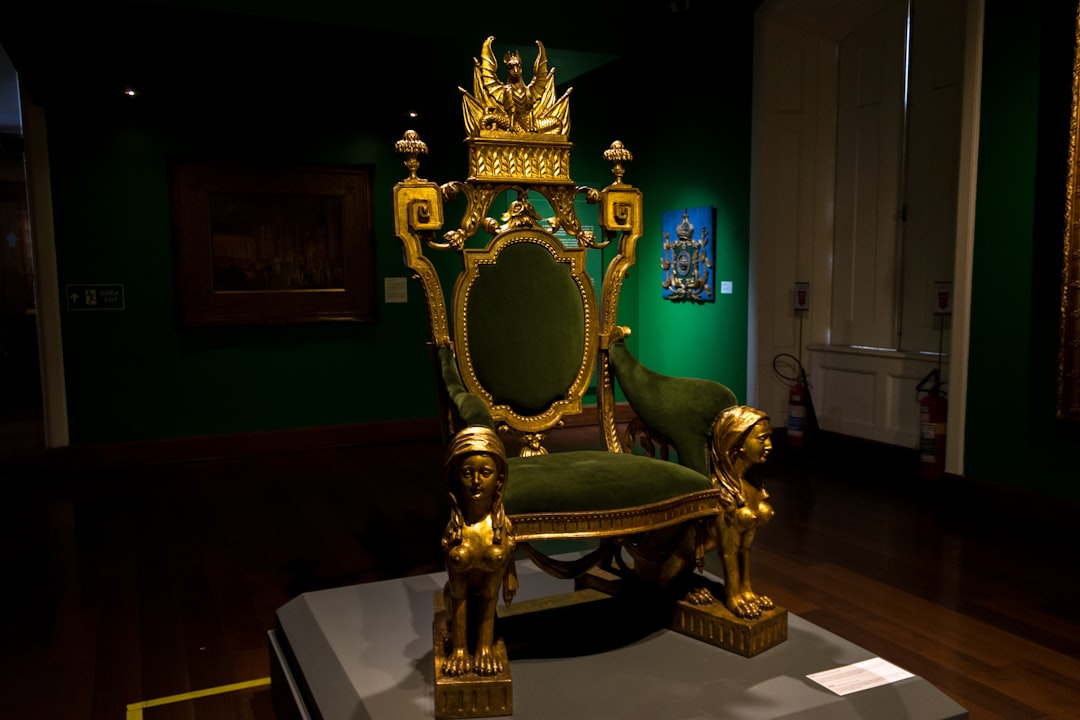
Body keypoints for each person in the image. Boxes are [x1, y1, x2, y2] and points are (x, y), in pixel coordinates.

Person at [440, 426, 518, 677]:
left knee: (489, 597)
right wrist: (459, 649)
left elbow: (490, 597)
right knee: (456, 595)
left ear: (500, 479)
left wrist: (485, 648)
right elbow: (458, 595)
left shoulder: (499, 528)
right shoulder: (455, 530)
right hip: (457, 601)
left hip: (487, 602)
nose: (476, 482)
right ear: (455, 478)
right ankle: (460, 647)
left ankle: (484, 646)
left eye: (485, 473)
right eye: (467, 473)